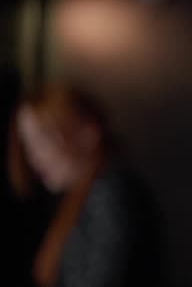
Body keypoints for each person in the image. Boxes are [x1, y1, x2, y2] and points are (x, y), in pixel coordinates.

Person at [7, 82, 161, 287]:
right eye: (28, 145)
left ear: (88, 131)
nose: (34, 157)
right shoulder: (80, 197)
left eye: (43, 139)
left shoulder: (112, 193)